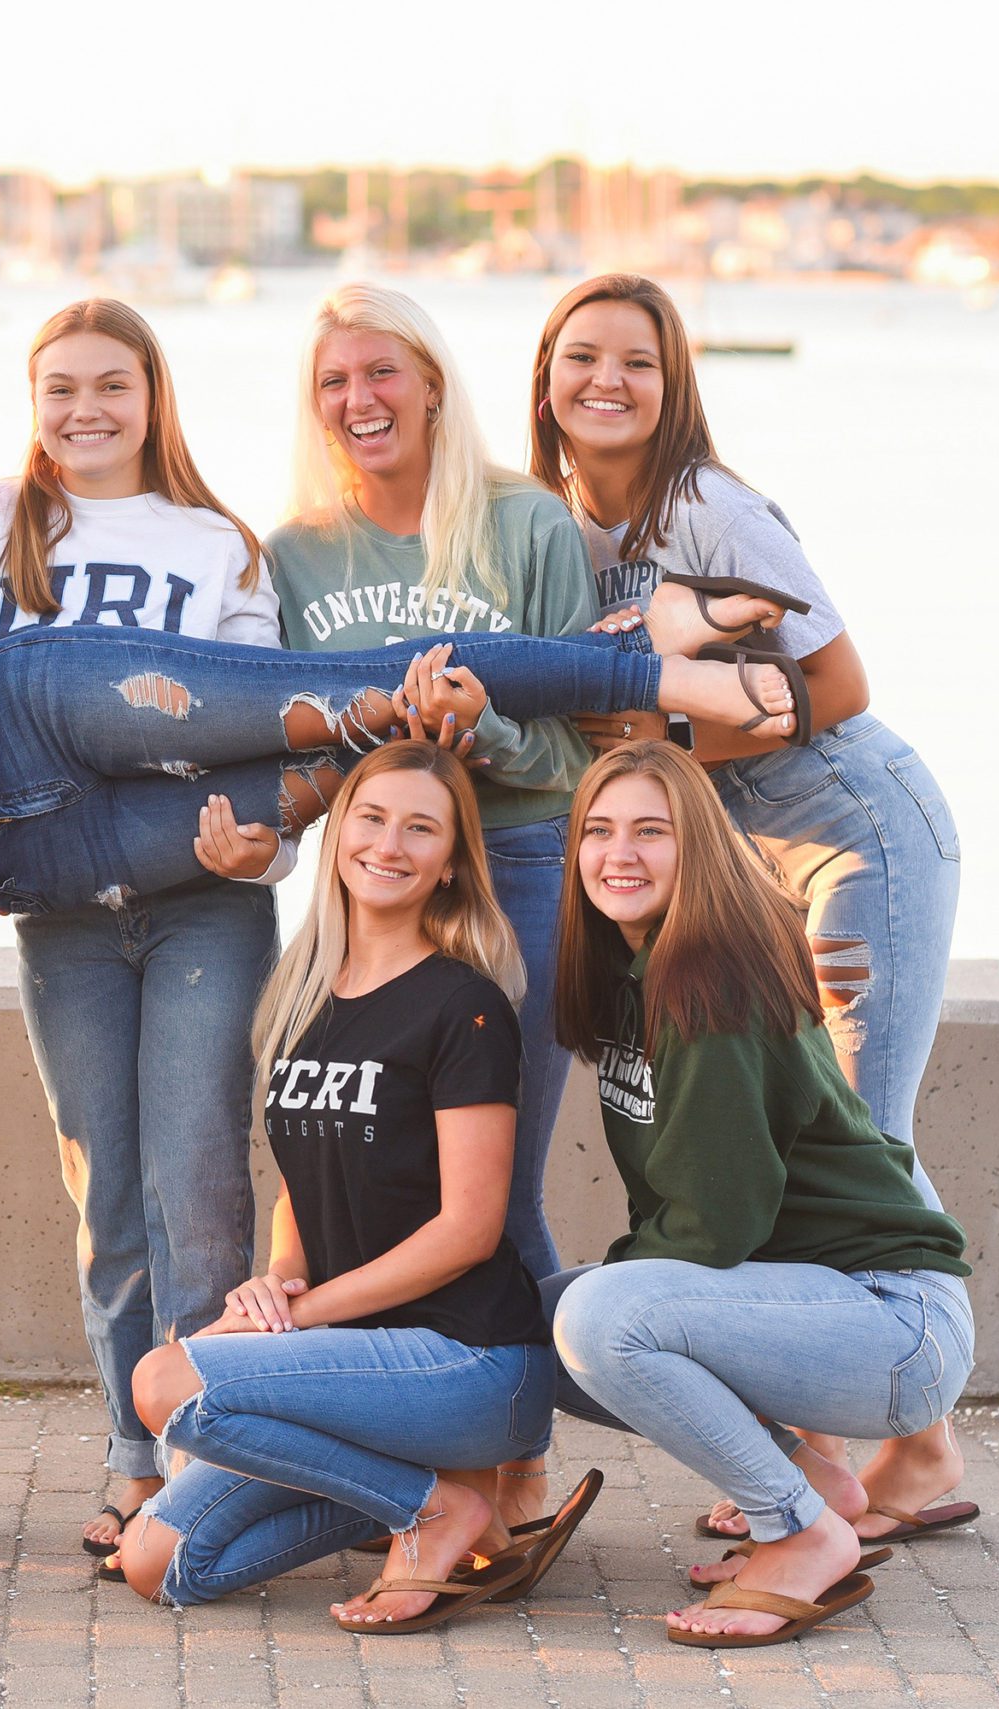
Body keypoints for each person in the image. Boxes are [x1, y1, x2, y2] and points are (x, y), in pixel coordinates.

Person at [0, 517, 802, 1019]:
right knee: (350, 757)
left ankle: (659, 676)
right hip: (22, 862)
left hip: (13, 711)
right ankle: (631, 634)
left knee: (357, 691)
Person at [529, 273, 975, 1548]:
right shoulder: (555, 526)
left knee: (856, 1118)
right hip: (727, 855)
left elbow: (838, 679)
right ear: (545, 378)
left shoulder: (707, 510)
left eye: (637, 361)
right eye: (581, 357)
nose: (607, 381)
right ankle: (831, 1446)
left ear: (673, 383)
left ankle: (899, 1442)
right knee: (779, 1114)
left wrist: (661, 754)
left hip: (848, 830)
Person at [102, 743, 594, 1630]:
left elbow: (470, 1229)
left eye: (421, 828)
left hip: (468, 1360)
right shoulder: (304, 998)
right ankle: (434, 1499)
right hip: (351, 1367)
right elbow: (304, 1184)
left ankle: (435, 1507)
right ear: (337, 837)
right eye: (371, 818)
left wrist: (305, 1313)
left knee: (166, 1382)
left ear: (451, 862)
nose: (389, 844)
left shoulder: (467, 1005)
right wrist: (277, 1281)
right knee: (160, 1562)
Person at [0, 299, 281, 1559]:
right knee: (109, 1193)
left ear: (153, 397)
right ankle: (132, 1449)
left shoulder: (220, 543)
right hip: (65, 913)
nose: (85, 410)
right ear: (32, 402)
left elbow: (260, 730)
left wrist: (262, 844)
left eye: (110, 386)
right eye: (60, 388)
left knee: (200, 1184)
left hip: (205, 903)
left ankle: (206, 1451)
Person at [540, 740, 974, 1647]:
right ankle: (811, 1480)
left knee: (597, 1319)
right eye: (599, 831)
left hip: (892, 1323)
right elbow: (679, 1210)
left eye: (651, 831)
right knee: (538, 1319)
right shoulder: (633, 972)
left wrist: (617, 1288)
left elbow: (714, 1225)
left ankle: (801, 1530)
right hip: (821, 1302)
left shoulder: (712, 983)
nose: (619, 854)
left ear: (698, 844)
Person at [263, 283, 597, 1294]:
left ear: (433, 386)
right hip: (375, 882)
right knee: (368, 1177)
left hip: (520, 868)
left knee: (500, 1193)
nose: (358, 399)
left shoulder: (528, 524)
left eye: (382, 372)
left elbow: (584, 755)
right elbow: (286, 748)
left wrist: (480, 734)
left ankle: (528, 1404)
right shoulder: (295, 555)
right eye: (334, 380)